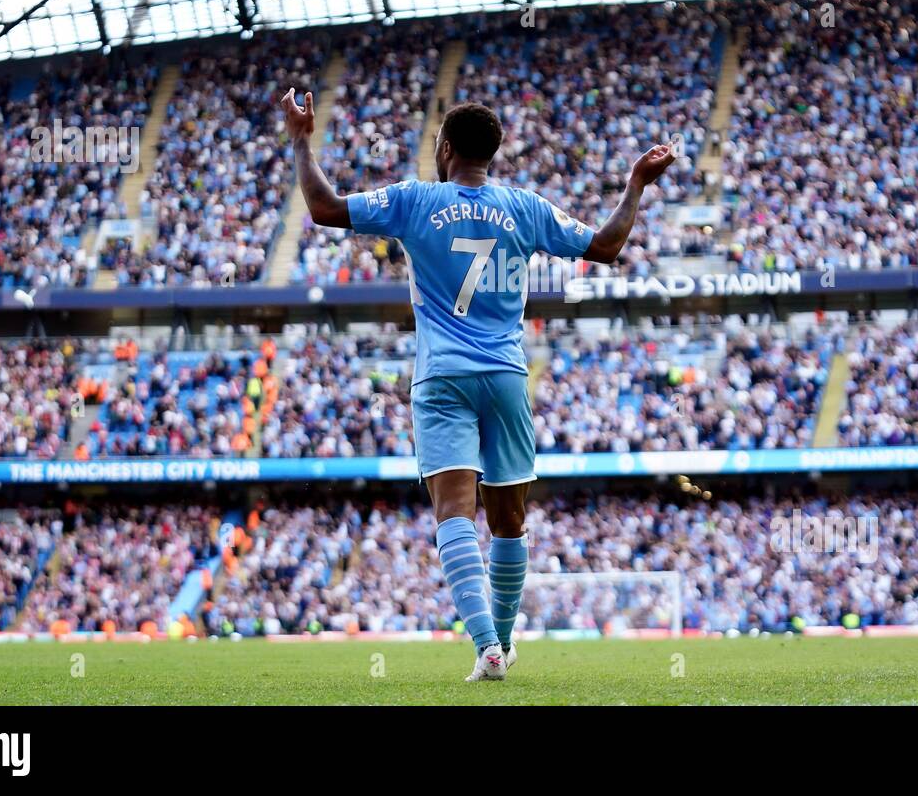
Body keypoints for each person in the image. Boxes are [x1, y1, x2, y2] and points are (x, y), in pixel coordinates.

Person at [280, 88, 676, 680]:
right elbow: (607, 246)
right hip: (507, 377)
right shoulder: (525, 207)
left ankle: (487, 647)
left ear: (444, 148)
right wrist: (636, 183)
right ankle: (503, 642)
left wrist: (301, 140)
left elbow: (323, 207)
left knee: (455, 517)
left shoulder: (415, 200)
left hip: (442, 377)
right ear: (493, 154)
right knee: (510, 521)